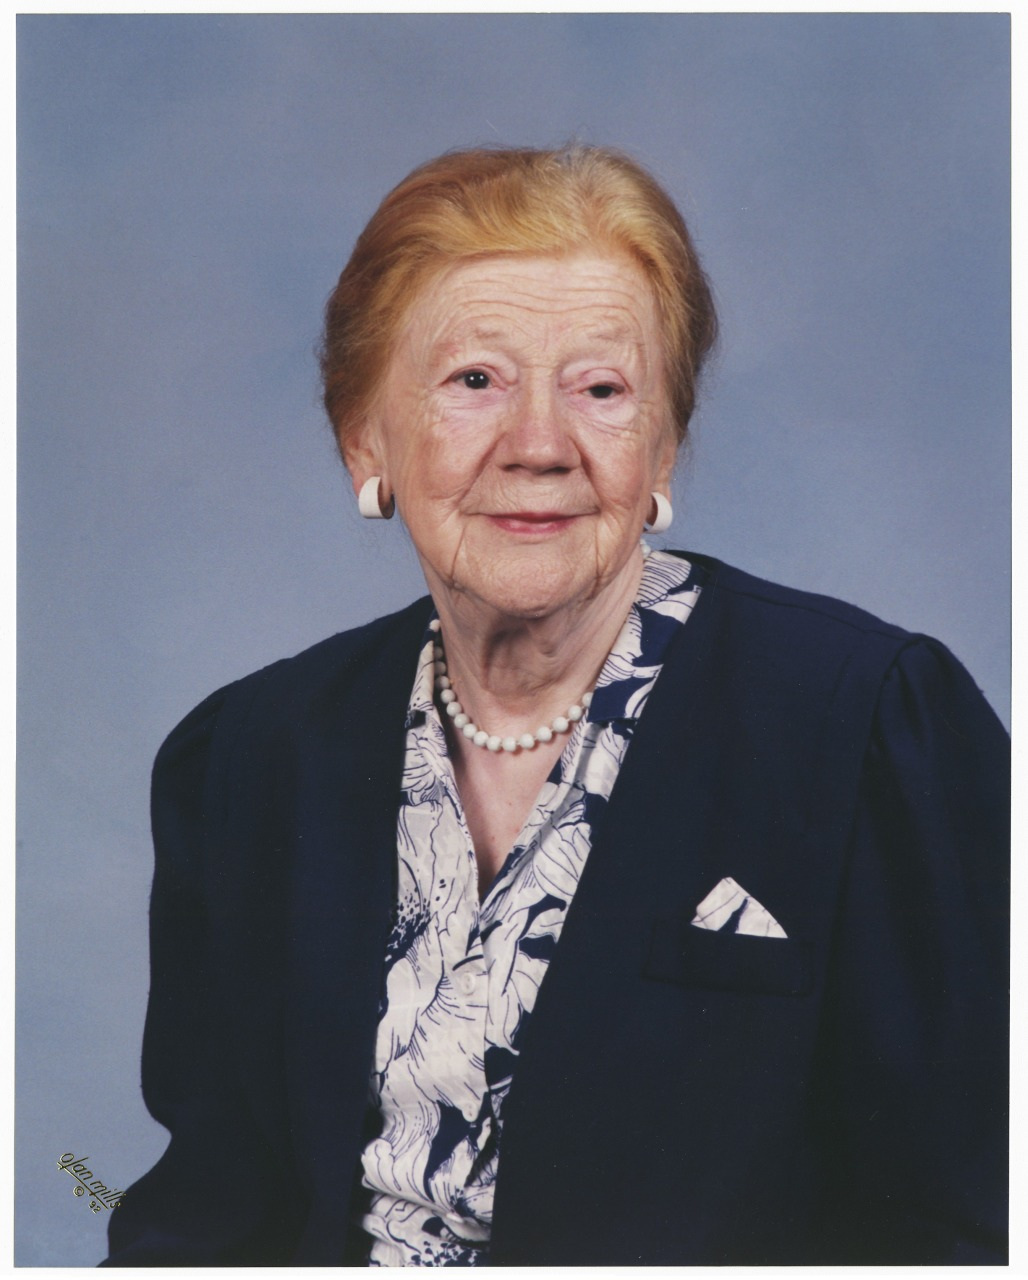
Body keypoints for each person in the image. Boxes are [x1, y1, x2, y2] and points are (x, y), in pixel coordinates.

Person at [103, 145, 1008, 1267]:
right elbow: (207, 1208)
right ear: (363, 439)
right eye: (473, 380)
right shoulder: (250, 754)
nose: (538, 444)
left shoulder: (869, 725)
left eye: (599, 388)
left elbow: (957, 1222)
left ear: (663, 445)